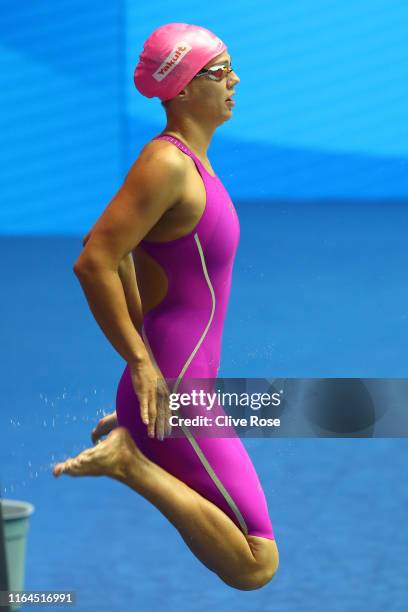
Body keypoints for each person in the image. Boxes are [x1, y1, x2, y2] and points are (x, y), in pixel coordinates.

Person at [53, 23, 279, 590]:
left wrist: (143, 378)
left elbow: (121, 256)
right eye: (220, 72)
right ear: (181, 89)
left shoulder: (190, 163)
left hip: (179, 384)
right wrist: (142, 364)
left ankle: (135, 437)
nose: (235, 81)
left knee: (256, 550)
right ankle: (129, 461)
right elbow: (95, 259)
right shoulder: (169, 163)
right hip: (178, 388)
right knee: (255, 564)